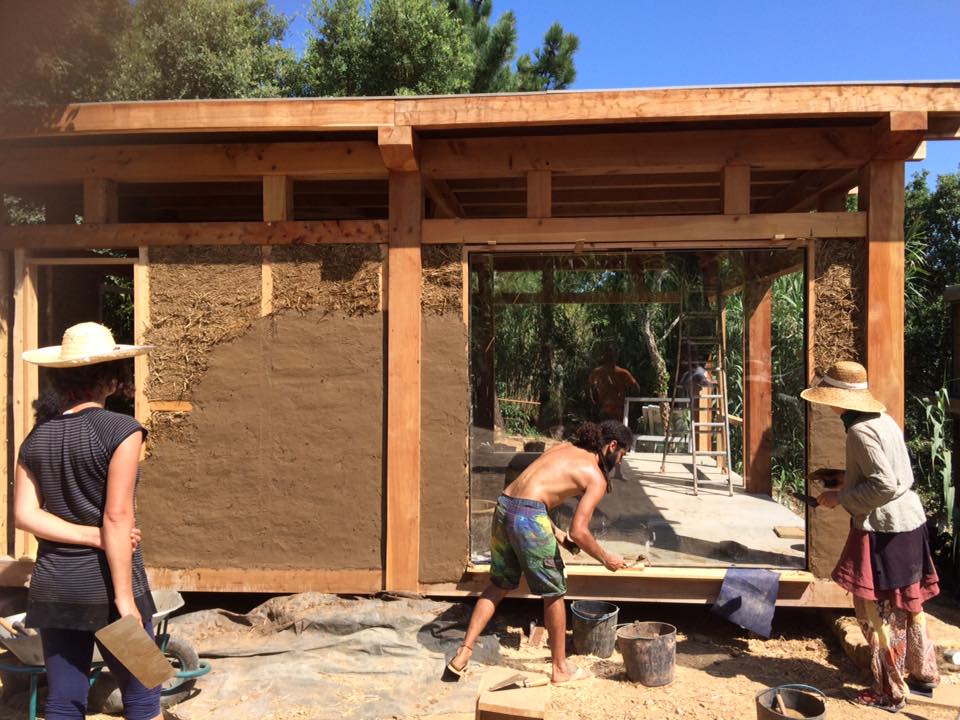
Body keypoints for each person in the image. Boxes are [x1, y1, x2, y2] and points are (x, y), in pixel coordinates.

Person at [14, 322, 161, 720]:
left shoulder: (36, 438)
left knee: (65, 703)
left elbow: (25, 515)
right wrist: (125, 599)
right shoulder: (123, 430)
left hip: (54, 589)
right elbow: (116, 516)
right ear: (110, 379)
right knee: (144, 696)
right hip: (109, 587)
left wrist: (94, 536)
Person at [444, 420, 632, 685]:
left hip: (504, 506)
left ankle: (463, 654)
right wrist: (605, 558)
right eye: (622, 454)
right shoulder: (595, 476)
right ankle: (560, 669)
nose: (620, 462)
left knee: (498, 585)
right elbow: (579, 531)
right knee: (554, 592)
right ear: (612, 446)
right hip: (529, 517)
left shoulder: (564, 447)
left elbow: (530, 497)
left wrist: (557, 534)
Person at [801, 360, 939, 712]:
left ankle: (889, 691)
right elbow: (891, 474)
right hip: (909, 522)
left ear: (837, 400)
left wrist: (840, 497)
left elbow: (884, 485)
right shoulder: (882, 420)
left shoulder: (859, 432)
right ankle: (923, 674)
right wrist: (843, 478)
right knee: (909, 602)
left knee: (872, 610)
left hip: (884, 529)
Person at [587, 345, 641, 423]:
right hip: (609, 410)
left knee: (610, 428)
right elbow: (636, 388)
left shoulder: (622, 373)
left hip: (616, 410)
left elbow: (636, 388)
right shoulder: (598, 372)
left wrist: (630, 405)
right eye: (610, 355)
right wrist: (592, 402)